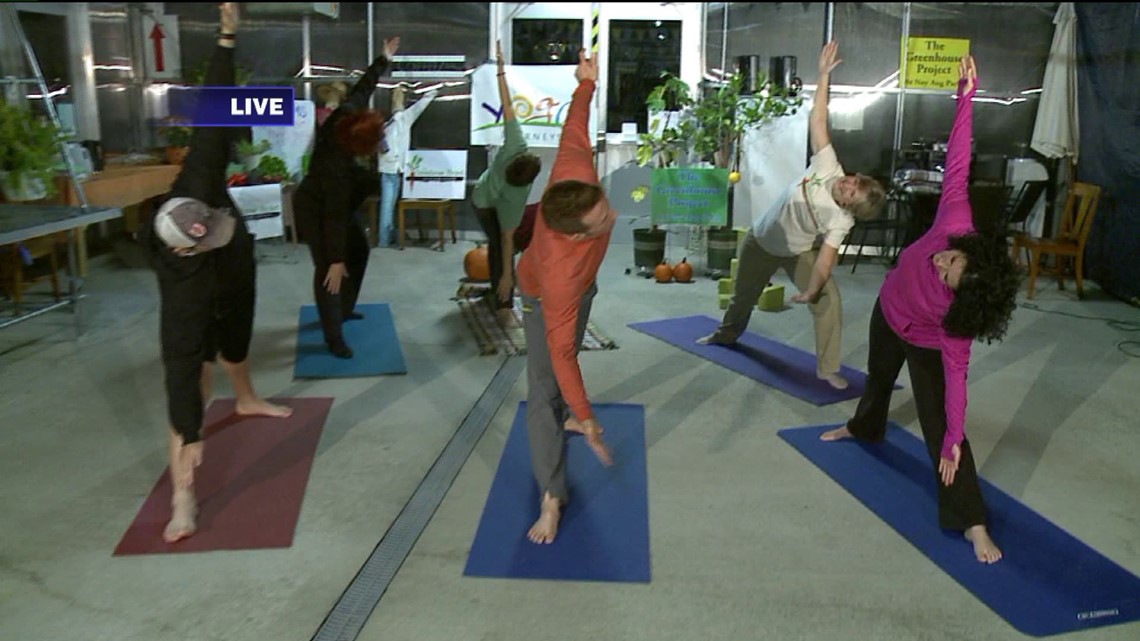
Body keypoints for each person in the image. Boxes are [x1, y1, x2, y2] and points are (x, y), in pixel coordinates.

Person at [820, 55, 1020, 565]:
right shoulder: (955, 221)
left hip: (924, 337)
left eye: (947, 272)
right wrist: (965, 97)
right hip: (889, 310)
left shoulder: (954, 329)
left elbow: (958, 390)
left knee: (940, 427)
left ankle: (971, 520)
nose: (941, 260)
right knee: (878, 378)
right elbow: (959, 162)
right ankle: (864, 427)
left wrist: (953, 437)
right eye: (953, 258)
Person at [141, 2, 292, 544]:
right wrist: (191, 430)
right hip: (199, 290)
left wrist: (227, 37)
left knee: (238, 330)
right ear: (184, 251)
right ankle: (183, 496)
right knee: (194, 374)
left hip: (235, 258)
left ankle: (246, 396)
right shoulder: (179, 287)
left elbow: (212, 108)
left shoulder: (197, 181)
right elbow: (177, 373)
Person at [697, 40, 887, 391]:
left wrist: (811, 290)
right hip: (759, 240)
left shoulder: (841, 221)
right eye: (853, 181)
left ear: (849, 207)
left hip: (796, 252)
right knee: (742, 298)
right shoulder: (828, 166)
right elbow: (819, 119)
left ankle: (827, 368)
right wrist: (823, 75)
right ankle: (726, 334)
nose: (846, 184)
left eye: (851, 192)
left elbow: (825, 261)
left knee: (829, 299)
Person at [517, 47, 618, 545]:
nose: (611, 216)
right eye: (601, 220)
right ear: (576, 234)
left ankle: (569, 416)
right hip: (541, 294)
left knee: (565, 368)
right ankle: (551, 496)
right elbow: (561, 355)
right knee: (545, 389)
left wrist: (586, 83)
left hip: (585, 285)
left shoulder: (574, 176)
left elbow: (574, 125)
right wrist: (589, 418)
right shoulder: (557, 275)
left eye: (604, 205)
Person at [293, 37, 400, 358]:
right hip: (314, 207)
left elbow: (362, 89)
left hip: (337, 201)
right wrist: (337, 260)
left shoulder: (348, 114)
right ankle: (333, 337)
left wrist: (383, 59)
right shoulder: (336, 168)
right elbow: (334, 216)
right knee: (329, 270)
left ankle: (345, 308)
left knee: (360, 250)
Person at [471, 40, 543, 316]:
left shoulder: (516, 190)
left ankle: (501, 288)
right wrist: (500, 70)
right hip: (482, 201)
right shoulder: (516, 145)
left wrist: (501, 70)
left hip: (498, 201)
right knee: (498, 245)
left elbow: (508, 238)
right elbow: (507, 102)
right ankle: (502, 299)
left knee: (502, 245)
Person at [376, 81, 439, 247]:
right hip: (397, 167)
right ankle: (385, 239)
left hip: (388, 166)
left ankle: (387, 237)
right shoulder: (403, 118)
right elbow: (423, 103)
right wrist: (429, 87)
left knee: (388, 205)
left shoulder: (383, 122)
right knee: (390, 205)